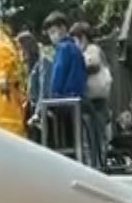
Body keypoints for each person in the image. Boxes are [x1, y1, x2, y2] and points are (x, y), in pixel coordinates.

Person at [44, 11, 88, 159]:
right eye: (50, 33)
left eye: (54, 31)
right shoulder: (75, 48)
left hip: (64, 100)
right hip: (77, 99)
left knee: (64, 141)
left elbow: (58, 74)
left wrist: (52, 96)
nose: (52, 36)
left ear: (63, 29)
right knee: (75, 139)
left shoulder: (63, 49)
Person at [74, 22, 112, 169]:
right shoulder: (93, 49)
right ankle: (97, 165)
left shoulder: (92, 49)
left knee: (94, 137)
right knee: (93, 137)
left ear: (82, 37)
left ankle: (97, 167)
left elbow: (93, 65)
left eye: (76, 40)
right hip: (96, 99)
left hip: (96, 100)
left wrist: (78, 67)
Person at [17, 30, 46, 126]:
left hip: (38, 110)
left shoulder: (40, 63)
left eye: (21, 48)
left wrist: (38, 113)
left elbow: (42, 89)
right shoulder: (27, 66)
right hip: (31, 107)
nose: (20, 52)